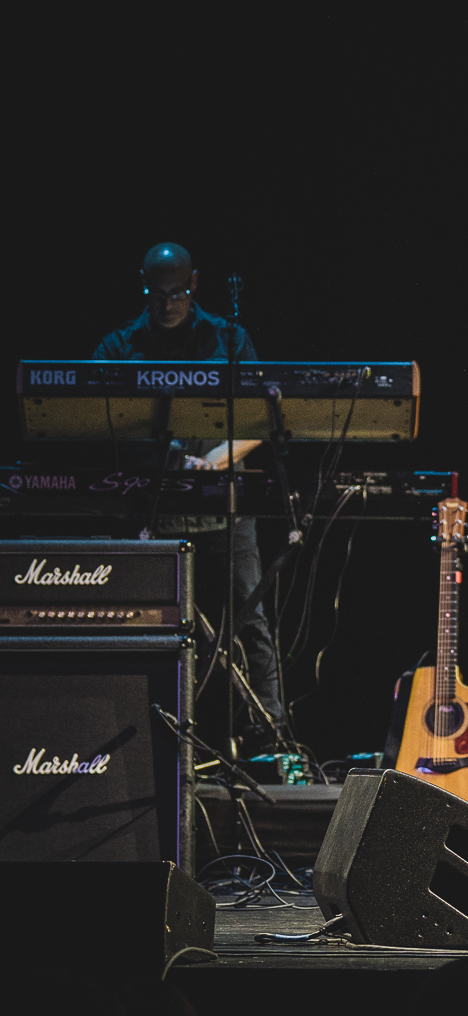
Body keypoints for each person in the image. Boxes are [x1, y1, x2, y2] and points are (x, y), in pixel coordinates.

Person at [93, 242, 286, 737]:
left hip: (224, 504)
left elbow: (261, 418)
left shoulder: (228, 337)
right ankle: (139, 736)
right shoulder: (118, 347)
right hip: (152, 511)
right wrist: (173, 463)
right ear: (143, 287)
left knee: (250, 621)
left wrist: (212, 463)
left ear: (195, 283)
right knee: (141, 623)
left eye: (177, 292)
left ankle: (270, 738)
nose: (167, 304)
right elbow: (100, 423)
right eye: (156, 294)